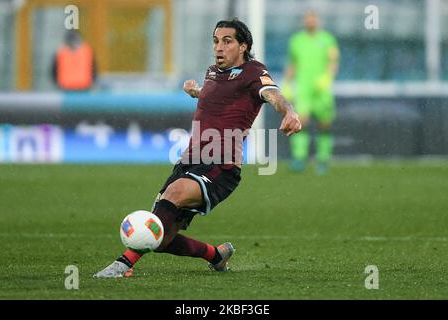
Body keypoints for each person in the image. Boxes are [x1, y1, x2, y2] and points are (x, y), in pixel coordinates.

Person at [94, 18, 301, 278]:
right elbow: (219, 98)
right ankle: (216, 255)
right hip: (189, 161)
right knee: (161, 238)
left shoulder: (254, 72)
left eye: (227, 41)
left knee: (173, 196)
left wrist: (289, 111)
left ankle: (123, 264)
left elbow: (273, 94)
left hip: (221, 166)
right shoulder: (213, 72)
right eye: (216, 41)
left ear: (243, 46)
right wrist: (197, 92)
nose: (219, 47)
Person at [282, 11, 339, 175]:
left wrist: (327, 78)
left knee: (324, 124)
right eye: (307, 18)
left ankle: (323, 159)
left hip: (322, 89)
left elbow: (333, 61)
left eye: (313, 18)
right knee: (301, 122)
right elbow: (292, 63)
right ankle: (299, 158)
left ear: (318, 20)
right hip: (303, 89)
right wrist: (286, 82)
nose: (310, 21)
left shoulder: (327, 39)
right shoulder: (297, 40)